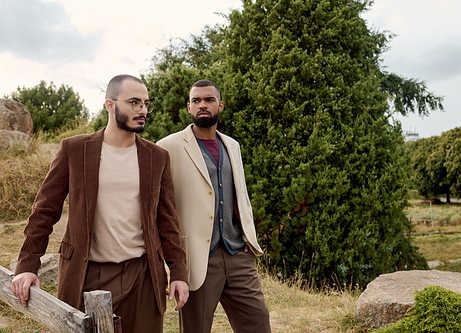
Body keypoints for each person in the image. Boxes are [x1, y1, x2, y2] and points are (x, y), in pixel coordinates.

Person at [11, 74, 189, 333]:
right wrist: (27, 265)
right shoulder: (74, 149)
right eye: (134, 103)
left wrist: (178, 272)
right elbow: (44, 212)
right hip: (86, 273)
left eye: (146, 104)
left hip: (143, 275)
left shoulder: (157, 157)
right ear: (110, 104)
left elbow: (168, 221)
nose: (142, 111)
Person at [157, 79, 271, 333]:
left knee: (258, 322)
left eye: (209, 100)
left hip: (238, 254)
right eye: (196, 100)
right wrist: (174, 261)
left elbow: (240, 194)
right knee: (196, 328)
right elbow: (160, 208)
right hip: (198, 258)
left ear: (220, 105)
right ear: (189, 107)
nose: (203, 105)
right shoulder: (167, 147)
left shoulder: (233, 145)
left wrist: (247, 242)